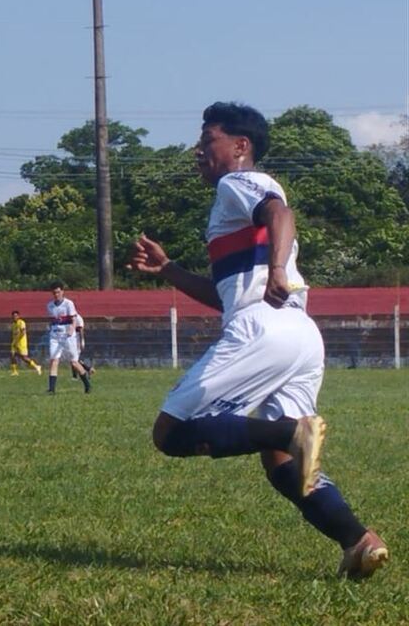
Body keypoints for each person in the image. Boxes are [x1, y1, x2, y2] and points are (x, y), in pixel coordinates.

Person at [128, 101, 387, 580]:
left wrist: (275, 269)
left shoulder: (238, 182)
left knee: (170, 434)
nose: (199, 151)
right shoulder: (230, 210)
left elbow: (280, 212)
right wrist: (168, 270)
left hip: (264, 326)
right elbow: (227, 295)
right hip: (299, 336)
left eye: (209, 141)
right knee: (282, 464)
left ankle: (290, 430)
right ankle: (358, 541)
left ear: (240, 147)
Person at [45, 284, 91, 394]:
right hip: (55, 336)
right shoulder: (50, 306)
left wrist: (72, 328)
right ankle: (52, 389)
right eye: (54, 293)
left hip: (68, 337)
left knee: (74, 362)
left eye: (58, 292)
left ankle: (87, 385)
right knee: (54, 360)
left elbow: (74, 318)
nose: (56, 295)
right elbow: (52, 320)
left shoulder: (68, 304)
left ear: (62, 292)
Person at [9, 310, 42, 376]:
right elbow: (13, 334)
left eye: (16, 316)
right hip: (15, 343)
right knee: (12, 355)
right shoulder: (13, 325)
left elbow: (23, 332)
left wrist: (18, 339)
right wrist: (14, 341)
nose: (14, 317)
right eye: (13, 316)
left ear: (18, 316)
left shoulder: (21, 322)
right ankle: (15, 371)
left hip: (21, 343)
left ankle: (36, 366)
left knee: (24, 358)